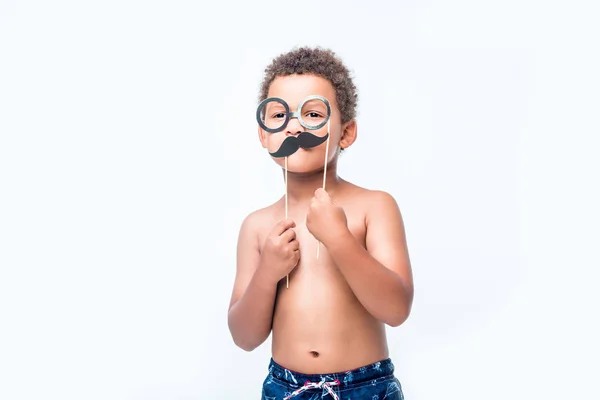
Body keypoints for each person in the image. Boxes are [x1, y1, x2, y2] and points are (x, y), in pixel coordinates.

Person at [227, 47, 414, 400]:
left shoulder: (374, 207)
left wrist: (339, 239)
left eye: (312, 113)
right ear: (264, 134)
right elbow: (244, 337)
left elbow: (396, 310)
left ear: (346, 133)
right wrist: (268, 270)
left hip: (365, 387)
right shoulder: (257, 227)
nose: (294, 126)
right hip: (286, 388)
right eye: (279, 115)